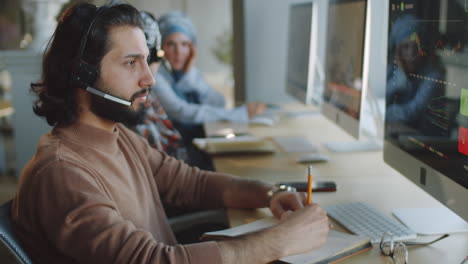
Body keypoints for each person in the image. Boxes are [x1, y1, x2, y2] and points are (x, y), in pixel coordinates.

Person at [11, 2, 329, 263]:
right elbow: (150, 261)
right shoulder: (62, 173)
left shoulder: (117, 136)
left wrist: (270, 194)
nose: (149, 78)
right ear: (82, 75)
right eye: (131, 63)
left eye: (147, 61)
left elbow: (189, 183)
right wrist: (278, 241)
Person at [154, 11, 267, 125]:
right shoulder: (156, 77)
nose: (178, 52)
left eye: (184, 44)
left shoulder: (189, 72)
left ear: (192, 48)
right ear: (161, 47)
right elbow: (181, 111)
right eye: (171, 44)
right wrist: (240, 114)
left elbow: (218, 103)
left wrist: (189, 74)